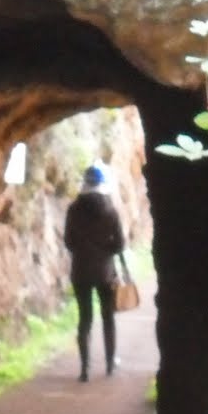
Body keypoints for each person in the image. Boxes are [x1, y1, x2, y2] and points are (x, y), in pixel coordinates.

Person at [63, 162, 126, 382]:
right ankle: (110, 364)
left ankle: (85, 369)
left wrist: (83, 251)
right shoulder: (110, 210)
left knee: (84, 319)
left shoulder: (73, 209)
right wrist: (104, 251)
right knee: (108, 318)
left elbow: (68, 242)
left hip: (80, 271)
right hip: (105, 272)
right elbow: (119, 244)